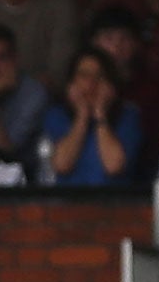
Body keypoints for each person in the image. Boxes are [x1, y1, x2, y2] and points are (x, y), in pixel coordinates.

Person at [43, 48, 143, 187]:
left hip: (115, 203)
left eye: (99, 75)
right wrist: (82, 117)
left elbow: (113, 166)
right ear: (72, 82)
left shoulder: (128, 116)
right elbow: (62, 164)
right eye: (84, 75)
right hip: (68, 204)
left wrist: (100, 114)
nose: (91, 83)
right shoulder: (57, 115)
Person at [0, 24, 51, 160]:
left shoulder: (34, 94)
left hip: (24, 174)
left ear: (15, 59)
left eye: (1, 58)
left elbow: (5, 151)